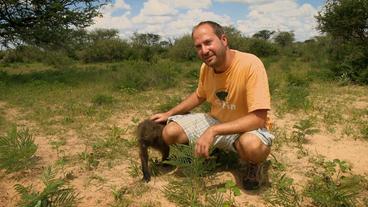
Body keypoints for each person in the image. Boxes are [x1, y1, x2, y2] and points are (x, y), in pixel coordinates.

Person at [151, 20, 274, 190]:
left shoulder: (250, 64)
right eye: (198, 46)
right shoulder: (206, 67)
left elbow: (258, 119)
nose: (204, 50)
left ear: (224, 40)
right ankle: (192, 162)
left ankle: (253, 165)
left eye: (208, 42)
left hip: (246, 128)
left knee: (252, 147)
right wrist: (169, 113)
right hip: (216, 120)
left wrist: (213, 131)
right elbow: (199, 95)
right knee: (170, 132)